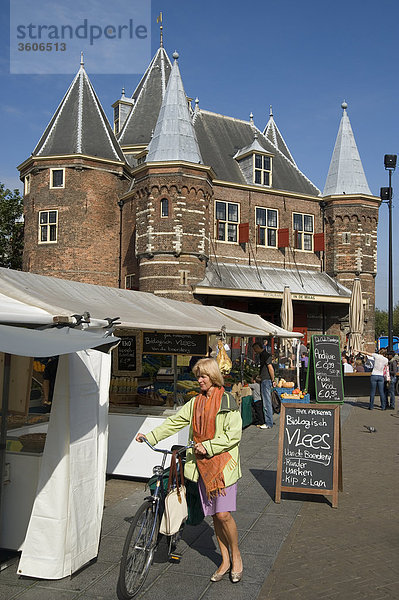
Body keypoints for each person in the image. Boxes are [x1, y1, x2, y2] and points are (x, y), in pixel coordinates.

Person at [136, 358, 243, 583]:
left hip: (222, 465)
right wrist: (151, 436)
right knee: (214, 515)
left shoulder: (227, 401)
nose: (199, 380)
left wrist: (210, 446)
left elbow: (234, 434)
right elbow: (175, 422)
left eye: (203, 376)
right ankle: (224, 560)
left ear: (213, 376)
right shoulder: (195, 403)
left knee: (224, 515)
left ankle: (236, 554)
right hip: (202, 466)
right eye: (198, 376)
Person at [252, 342, 274, 429]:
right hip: (265, 379)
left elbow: (270, 368)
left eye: (254, 349)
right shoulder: (262, 355)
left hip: (266, 380)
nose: (254, 351)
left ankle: (268, 423)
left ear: (258, 347)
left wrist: (272, 380)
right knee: (266, 401)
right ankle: (267, 421)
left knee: (266, 402)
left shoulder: (265, 355)